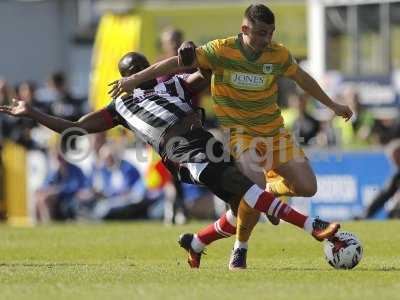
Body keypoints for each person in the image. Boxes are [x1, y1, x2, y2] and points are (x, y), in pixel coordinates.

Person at [1, 51, 340, 269]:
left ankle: (197, 242)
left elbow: (202, 74)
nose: (147, 74)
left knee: (242, 202)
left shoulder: (172, 85)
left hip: (205, 141)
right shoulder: (118, 108)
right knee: (247, 191)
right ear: (126, 79)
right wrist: (32, 113)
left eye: (146, 69)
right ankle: (315, 228)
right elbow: (73, 127)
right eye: (138, 71)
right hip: (182, 152)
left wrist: (193, 55)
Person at [108, 4, 353, 269]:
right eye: (260, 33)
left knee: (307, 187)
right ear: (244, 29)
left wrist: (334, 105)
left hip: (274, 133)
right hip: (241, 134)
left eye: (270, 33)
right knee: (251, 191)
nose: (265, 39)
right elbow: (178, 62)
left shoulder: (278, 54)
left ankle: (266, 195)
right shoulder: (221, 50)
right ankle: (240, 248)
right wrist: (134, 80)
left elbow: (303, 79)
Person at [360, 139, 400, 219]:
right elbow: (384, 195)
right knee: (394, 211)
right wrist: (365, 215)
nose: (392, 162)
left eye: (394, 158)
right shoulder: (397, 175)